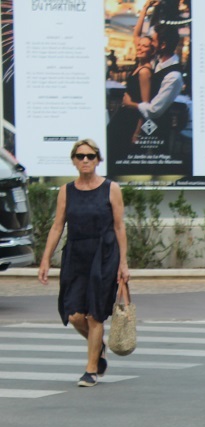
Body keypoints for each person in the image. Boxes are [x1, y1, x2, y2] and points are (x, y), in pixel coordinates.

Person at [36, 140, 130, 388]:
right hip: (76, 255)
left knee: (94, 314)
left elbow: (119, 226)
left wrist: (123, 263)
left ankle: (91, 370)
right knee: (74, 314)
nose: (85, 160)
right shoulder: (66, 190)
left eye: (90, 156)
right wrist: (45, 258)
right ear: (74, 160)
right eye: (80, 156)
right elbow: (58, 226)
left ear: (98, 160)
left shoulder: (111, 188)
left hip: (104, 255)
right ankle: (98, 346)